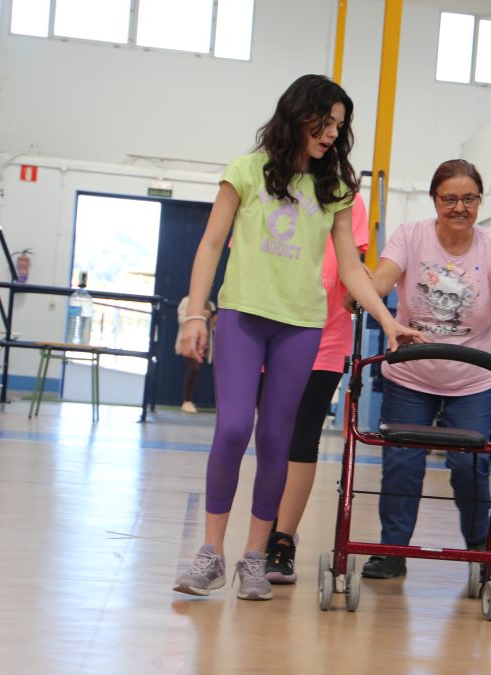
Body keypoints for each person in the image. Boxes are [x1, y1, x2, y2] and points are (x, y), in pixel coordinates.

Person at [172, 75, 422, 600]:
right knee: (235, 426)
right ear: (296, 114)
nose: (332, 133)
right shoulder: (244, 170)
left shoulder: (334, 188)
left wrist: (387, 319)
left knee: (276, 442)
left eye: (339, 125)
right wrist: (196, 314)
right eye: (324, 121)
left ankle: (254, 559)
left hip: (302, 326)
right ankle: (211, 553)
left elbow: (352, 269)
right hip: (243, 317)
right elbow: (211, 245)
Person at [353, 159, 491, 580]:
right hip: (411, 374)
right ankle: (393, 550)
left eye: (469, 198)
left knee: (469, 467)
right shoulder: (410, 236)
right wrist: (365, 292)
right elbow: (384, 278)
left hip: (473, 377)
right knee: (402, 463)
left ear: (480, 201)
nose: (459, 207)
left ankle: (479, 554)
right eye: (450, 199)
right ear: (435, 200)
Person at [262, 193, 370, 584]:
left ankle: (282, 540)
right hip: (268, 327)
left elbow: (351, 263)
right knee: (273, 438)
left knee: (302, 439)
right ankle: (267, 526)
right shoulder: (268, 185)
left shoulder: (346, 198)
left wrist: (364, 295)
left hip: (325, 333)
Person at [175, 296, 216, 414]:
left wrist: (213, 320)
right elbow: (181, 320)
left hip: (203, 344)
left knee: (196, 371)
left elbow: (212, 327)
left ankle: (189, 400)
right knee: (194, 369)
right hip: (189, 342)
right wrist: (198, 316)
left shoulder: (211, 305)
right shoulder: (186, 301)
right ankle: (186, 401)